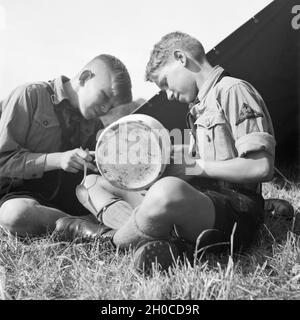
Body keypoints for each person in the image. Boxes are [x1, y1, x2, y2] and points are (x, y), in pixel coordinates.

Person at [55, 31, 276, 275]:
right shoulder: (200, 107)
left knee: (166, 191)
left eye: (166, 83)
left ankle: (112, 241)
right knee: (92, 184)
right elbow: (195, 154)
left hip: (236, 213)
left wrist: (193, 167)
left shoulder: (232, 90)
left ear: (181, 58)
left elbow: (260, 167)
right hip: (201, 201)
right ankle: (156, 237)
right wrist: (138, 158)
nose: (169, 95)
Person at [0, 54, 132, 238]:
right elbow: (3, 160)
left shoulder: (94, 124)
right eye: (104, 97)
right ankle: (89, 229)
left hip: (68, 196)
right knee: (15, 215)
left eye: (111, 106)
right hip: (21, 193)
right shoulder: (30, 95)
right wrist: (58, 159)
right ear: (85, 77)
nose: (105, 109)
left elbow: (95, 176)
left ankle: (135, 226)